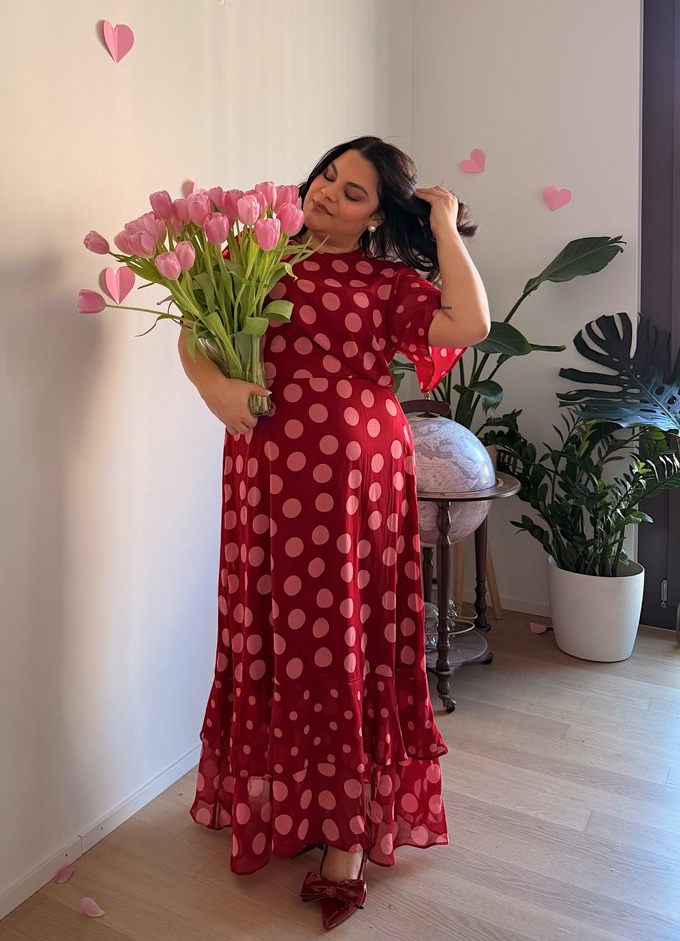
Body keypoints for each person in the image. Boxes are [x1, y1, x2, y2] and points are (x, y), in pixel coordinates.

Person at [179, 136, 490, 929]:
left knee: (343, 637)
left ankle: (344, 835)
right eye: (327, 176)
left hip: (357, 483)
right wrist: (219, 390)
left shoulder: (387, 282)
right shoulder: (254, 257)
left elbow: (472, 319)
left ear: (377, 214)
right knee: (275, 632)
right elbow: (193, 331)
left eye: (352, 192)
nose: (327, 194)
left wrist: (445, 223)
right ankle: (284, 803)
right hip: (264, 471)